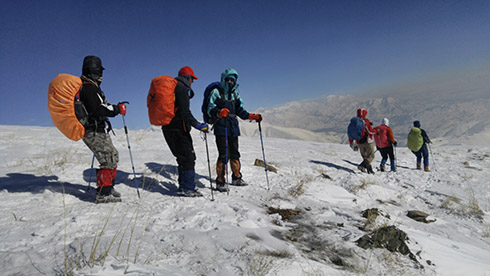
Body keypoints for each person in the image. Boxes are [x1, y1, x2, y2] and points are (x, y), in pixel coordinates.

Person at [206, 68, 262, 192]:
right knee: (223, 155)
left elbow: (240, 111)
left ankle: (236, 177)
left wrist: (251, 116)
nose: (230, 82)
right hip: (221, 127)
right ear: (224, 80)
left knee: (235, 154)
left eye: (232, 80)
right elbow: (210, 109)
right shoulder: (216, 92)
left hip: (233, 127)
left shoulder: (235, 94)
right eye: (228, 79)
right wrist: (219, 112)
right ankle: (220, 181)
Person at [79, 55, 127, 203]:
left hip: (97, 128)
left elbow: (100, 107)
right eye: (99, 71)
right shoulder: (88, 88)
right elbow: (97, 109)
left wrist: (114, 108)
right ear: (93, 71)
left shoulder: (92, 87)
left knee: (112, 155)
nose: (101, 75)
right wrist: (116, 109)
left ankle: (108, 187)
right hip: (93, 129)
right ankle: (103, 193)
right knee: (107, 158)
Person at [162, 66, 208, 197]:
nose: (192, 82)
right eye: (192, 79)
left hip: (167, 128)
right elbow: (185, 113)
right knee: (188, 158)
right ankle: (187, 188)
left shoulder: (172, 88)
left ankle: (183, 186)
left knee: (181, 157)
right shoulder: (182, 89)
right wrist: (198, 125)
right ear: (188, 78)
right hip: (178, 129)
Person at [349, 108, 376, 174]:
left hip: (359, 142)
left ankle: (370, 170)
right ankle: (361, 166)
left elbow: (351, 132)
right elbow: (370, 131)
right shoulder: (365, 121)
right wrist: (375, 131)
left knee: (365, 157)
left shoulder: (354, 122)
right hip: (367, 141)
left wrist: (351, 142)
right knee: (371, 156)